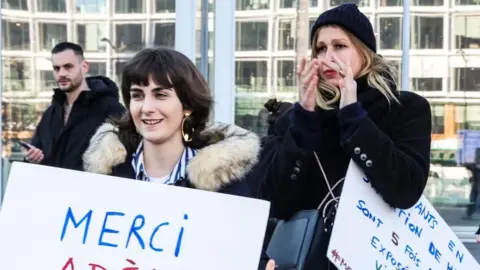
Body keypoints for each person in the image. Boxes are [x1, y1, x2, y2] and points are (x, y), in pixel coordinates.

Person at [258, 3, 432, 268]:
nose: (328, 57)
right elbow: (276, 205)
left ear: (364, 52)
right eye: (320, 48)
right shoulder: (296, 120)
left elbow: (406, 190)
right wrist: (303, 119)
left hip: (377, 258)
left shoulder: (406, 109)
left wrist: (353, 115)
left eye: (339, 46)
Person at [82, 47, 261, 197]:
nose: (146, 107)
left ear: (187, 104)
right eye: (137, 95)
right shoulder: (107, 174)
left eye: (160, 95)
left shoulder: (224, 181)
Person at [24, 42, 125, 171]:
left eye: (68, 67)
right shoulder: (51, 113)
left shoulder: (110, 108)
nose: (61, 73)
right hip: (52, 189)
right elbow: (40, 153)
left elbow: (127, 158)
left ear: (84, 67)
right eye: (56, 68)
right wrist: (33, 159)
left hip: (94, 189)